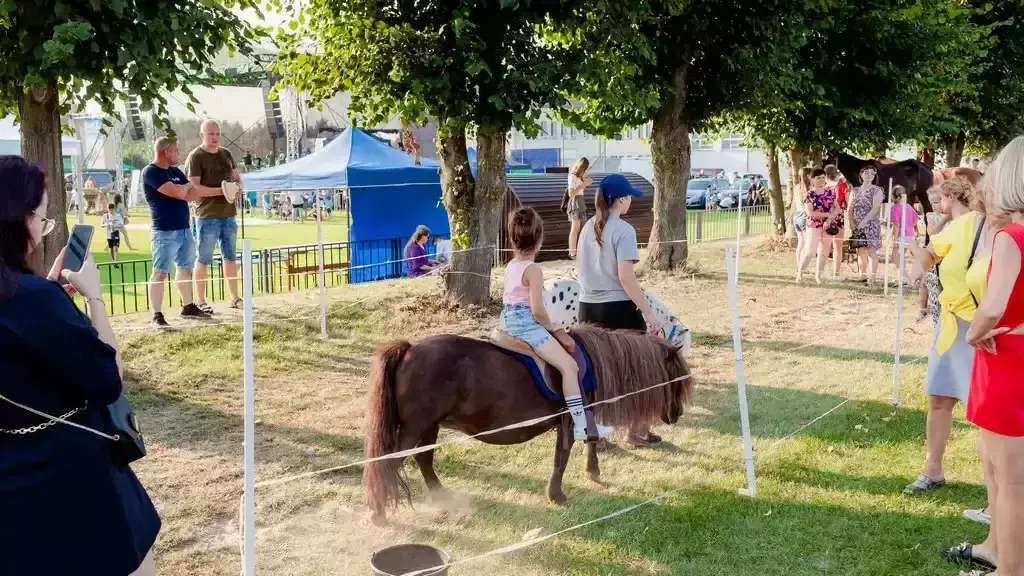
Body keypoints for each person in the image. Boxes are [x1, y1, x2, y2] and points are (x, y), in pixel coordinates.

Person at [0, 155, 160, 576]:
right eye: (39, 216)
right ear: (15, 219)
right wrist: (94, 299)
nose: (40, 229)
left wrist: (51, 297)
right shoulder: (33, 300)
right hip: (74, 479)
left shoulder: (35, 298)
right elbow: (109, 380)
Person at [944, 139, 1024, 576]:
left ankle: (1011, 570)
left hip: (1007, 356)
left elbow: (992, 307)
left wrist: (974, 335)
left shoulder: (1014, 235)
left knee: (1012, 482)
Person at [905, 177, 988, 496]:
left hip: (983, 328)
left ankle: (998, 486)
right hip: (951, 324)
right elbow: (929, 253)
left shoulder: (988, 227)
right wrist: (918, 266)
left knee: (987, 410)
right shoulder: (958, 226)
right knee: (939, 398)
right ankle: (932, 470)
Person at [501, 206, 613, 441]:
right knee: (569, 367)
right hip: (526, 325)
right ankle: (581, 425)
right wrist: (556, 330)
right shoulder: (533, 269)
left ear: (513, 237)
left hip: (507, 320)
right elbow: (538, 311)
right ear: (539, 238)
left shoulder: (511, 265)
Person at [576, 174, 665, 447]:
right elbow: (626, 279)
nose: (630, 202)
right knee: (638, 371)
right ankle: (637, 431)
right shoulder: (624, 231)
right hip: (618, 309)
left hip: (587, 308)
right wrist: (650, 314)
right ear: (621, 199)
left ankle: (596, 436)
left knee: (595, 374)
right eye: (628, 197)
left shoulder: (587, 227)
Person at [143, 137, 211, 327]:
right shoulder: (151, 172)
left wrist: (188, 187)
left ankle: (188, 306)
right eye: (176, 151)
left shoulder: (174, 171)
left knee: (185, 268)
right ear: (166, 151)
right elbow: (181, 193)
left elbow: (192, 194)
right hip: (164, 231)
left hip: (184, 229)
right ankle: (157, 314)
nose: (178, 154)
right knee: (160, 272)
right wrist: (187, 186)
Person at [184, 119, 244, 314]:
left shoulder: (226, 154)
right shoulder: (196, 156)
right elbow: (195, 188)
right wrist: (222, 191)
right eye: (211, 134)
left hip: (229, 214)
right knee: (203, 258)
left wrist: (237, 188)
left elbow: (236, 177)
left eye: (217, 134)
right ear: (202, 135)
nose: (215, 137)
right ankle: (200, 300)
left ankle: (235, 297)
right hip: (206, 216)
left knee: (230, 257)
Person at [796, 168, 839, 284]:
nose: (821, 180)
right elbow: (810, 212)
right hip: (814, 225)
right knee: (810, 251)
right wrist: (826, 214)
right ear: (812, 179)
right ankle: (800, 272)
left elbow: (837, 208)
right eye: (818, 177)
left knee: (824, 251)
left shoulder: (830, 192)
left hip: (828, 226)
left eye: (822, 177)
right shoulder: (810, 194)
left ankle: (818, 275)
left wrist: (829, 219)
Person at [847, 165, 884, 287]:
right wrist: (851, 222)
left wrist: (865, 221)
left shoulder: (877, 190)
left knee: (871, 252)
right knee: (861, 250)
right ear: (861, 174)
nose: (869, 175)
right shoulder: (855, 191)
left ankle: (872, 278)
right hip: (857, 224)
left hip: (871, 224)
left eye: (872, 173)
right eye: (866, 173)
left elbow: (875, 208)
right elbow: (850, 208)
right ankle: (862, 274)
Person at [824, 165, 849, 281]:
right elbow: (847, 202)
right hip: (838, 216)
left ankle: (820, 271)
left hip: (824, 216)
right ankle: (836, 273)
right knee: (837, 246)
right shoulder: (842, 185)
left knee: (823, 246)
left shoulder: (822, 186)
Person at [565, 157, 593, 259]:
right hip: (575, 201)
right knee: (575, 227)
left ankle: (580, 251)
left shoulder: (579, 176)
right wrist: (584, 184)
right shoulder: (572, 176)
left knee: (582, 227)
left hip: (580, 201)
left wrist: (586, 182)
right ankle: (572, 252)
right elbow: (571, 193)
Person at [888, 185, 917, 269]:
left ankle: (904, 276)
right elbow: (916, 220)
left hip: (900, 236)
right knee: (901, 256)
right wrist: (910, 227)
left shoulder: (894, 208)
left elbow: (896, 225)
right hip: (910, 235)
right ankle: (902, 276)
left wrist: (895, 238)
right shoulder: (908, 206)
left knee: (895, 257)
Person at [793, 167, 813, 276]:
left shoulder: (797, 187)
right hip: (805, 216)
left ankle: (798, 266)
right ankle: (802, 267)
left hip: (797, 216)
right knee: (807, 244)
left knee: (801, 243)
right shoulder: (809, 188)